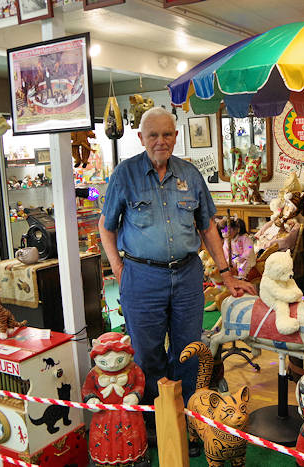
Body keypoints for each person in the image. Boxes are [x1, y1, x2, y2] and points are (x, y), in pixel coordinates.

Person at [98, 107, 255, 413]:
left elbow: (207, 226)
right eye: (153, 135)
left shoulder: (190, 174)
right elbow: (106, 226)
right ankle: (157, 421)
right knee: (147, 354)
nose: (161, 141)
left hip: (187, 277)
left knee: (188, 352)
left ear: (176, 136)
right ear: (141, 137)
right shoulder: (124, 175)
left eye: (167, 134)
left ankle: (186, 418)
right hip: (142, 279)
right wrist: (118, 268)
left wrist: (226, 274)